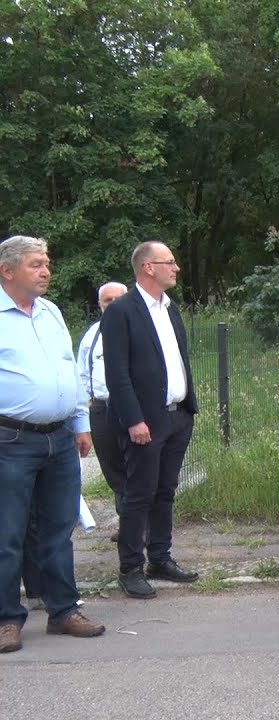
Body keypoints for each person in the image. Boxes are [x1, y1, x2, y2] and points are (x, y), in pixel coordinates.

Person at [0, 236, 105, 654]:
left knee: (59, 530)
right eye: (35, 264)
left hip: (59, 438)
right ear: (7, 270)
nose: (46, 271)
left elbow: (70, 370)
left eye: (47, 263)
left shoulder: (51, 312)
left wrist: (80, 423)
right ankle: (8, 618)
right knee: (7, 534)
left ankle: (63, 611)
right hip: (10, 439)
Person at [102, 241, 199, 599]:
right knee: (138, 495)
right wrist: (133, 420)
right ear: (148, 268)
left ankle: (160, 557)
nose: (176, 268)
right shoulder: (122, 311)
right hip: (145, 421)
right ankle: (130, 569)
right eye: (169, 262)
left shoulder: (170, 309)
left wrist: (188, 407)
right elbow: (117, 371)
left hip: (177, 416)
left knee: (165, 492)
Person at [76, 281, 130, 537]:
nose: (114, 304)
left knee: (139, 467)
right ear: (100, 305)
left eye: (119, 298)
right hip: (101, 409)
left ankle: (142, 526)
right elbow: (81, 373)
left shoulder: (139, 329)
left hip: (133, 409)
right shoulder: (92, 334)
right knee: (113, 469)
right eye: (108, 300)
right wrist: (87, 403)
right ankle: (127, 523)